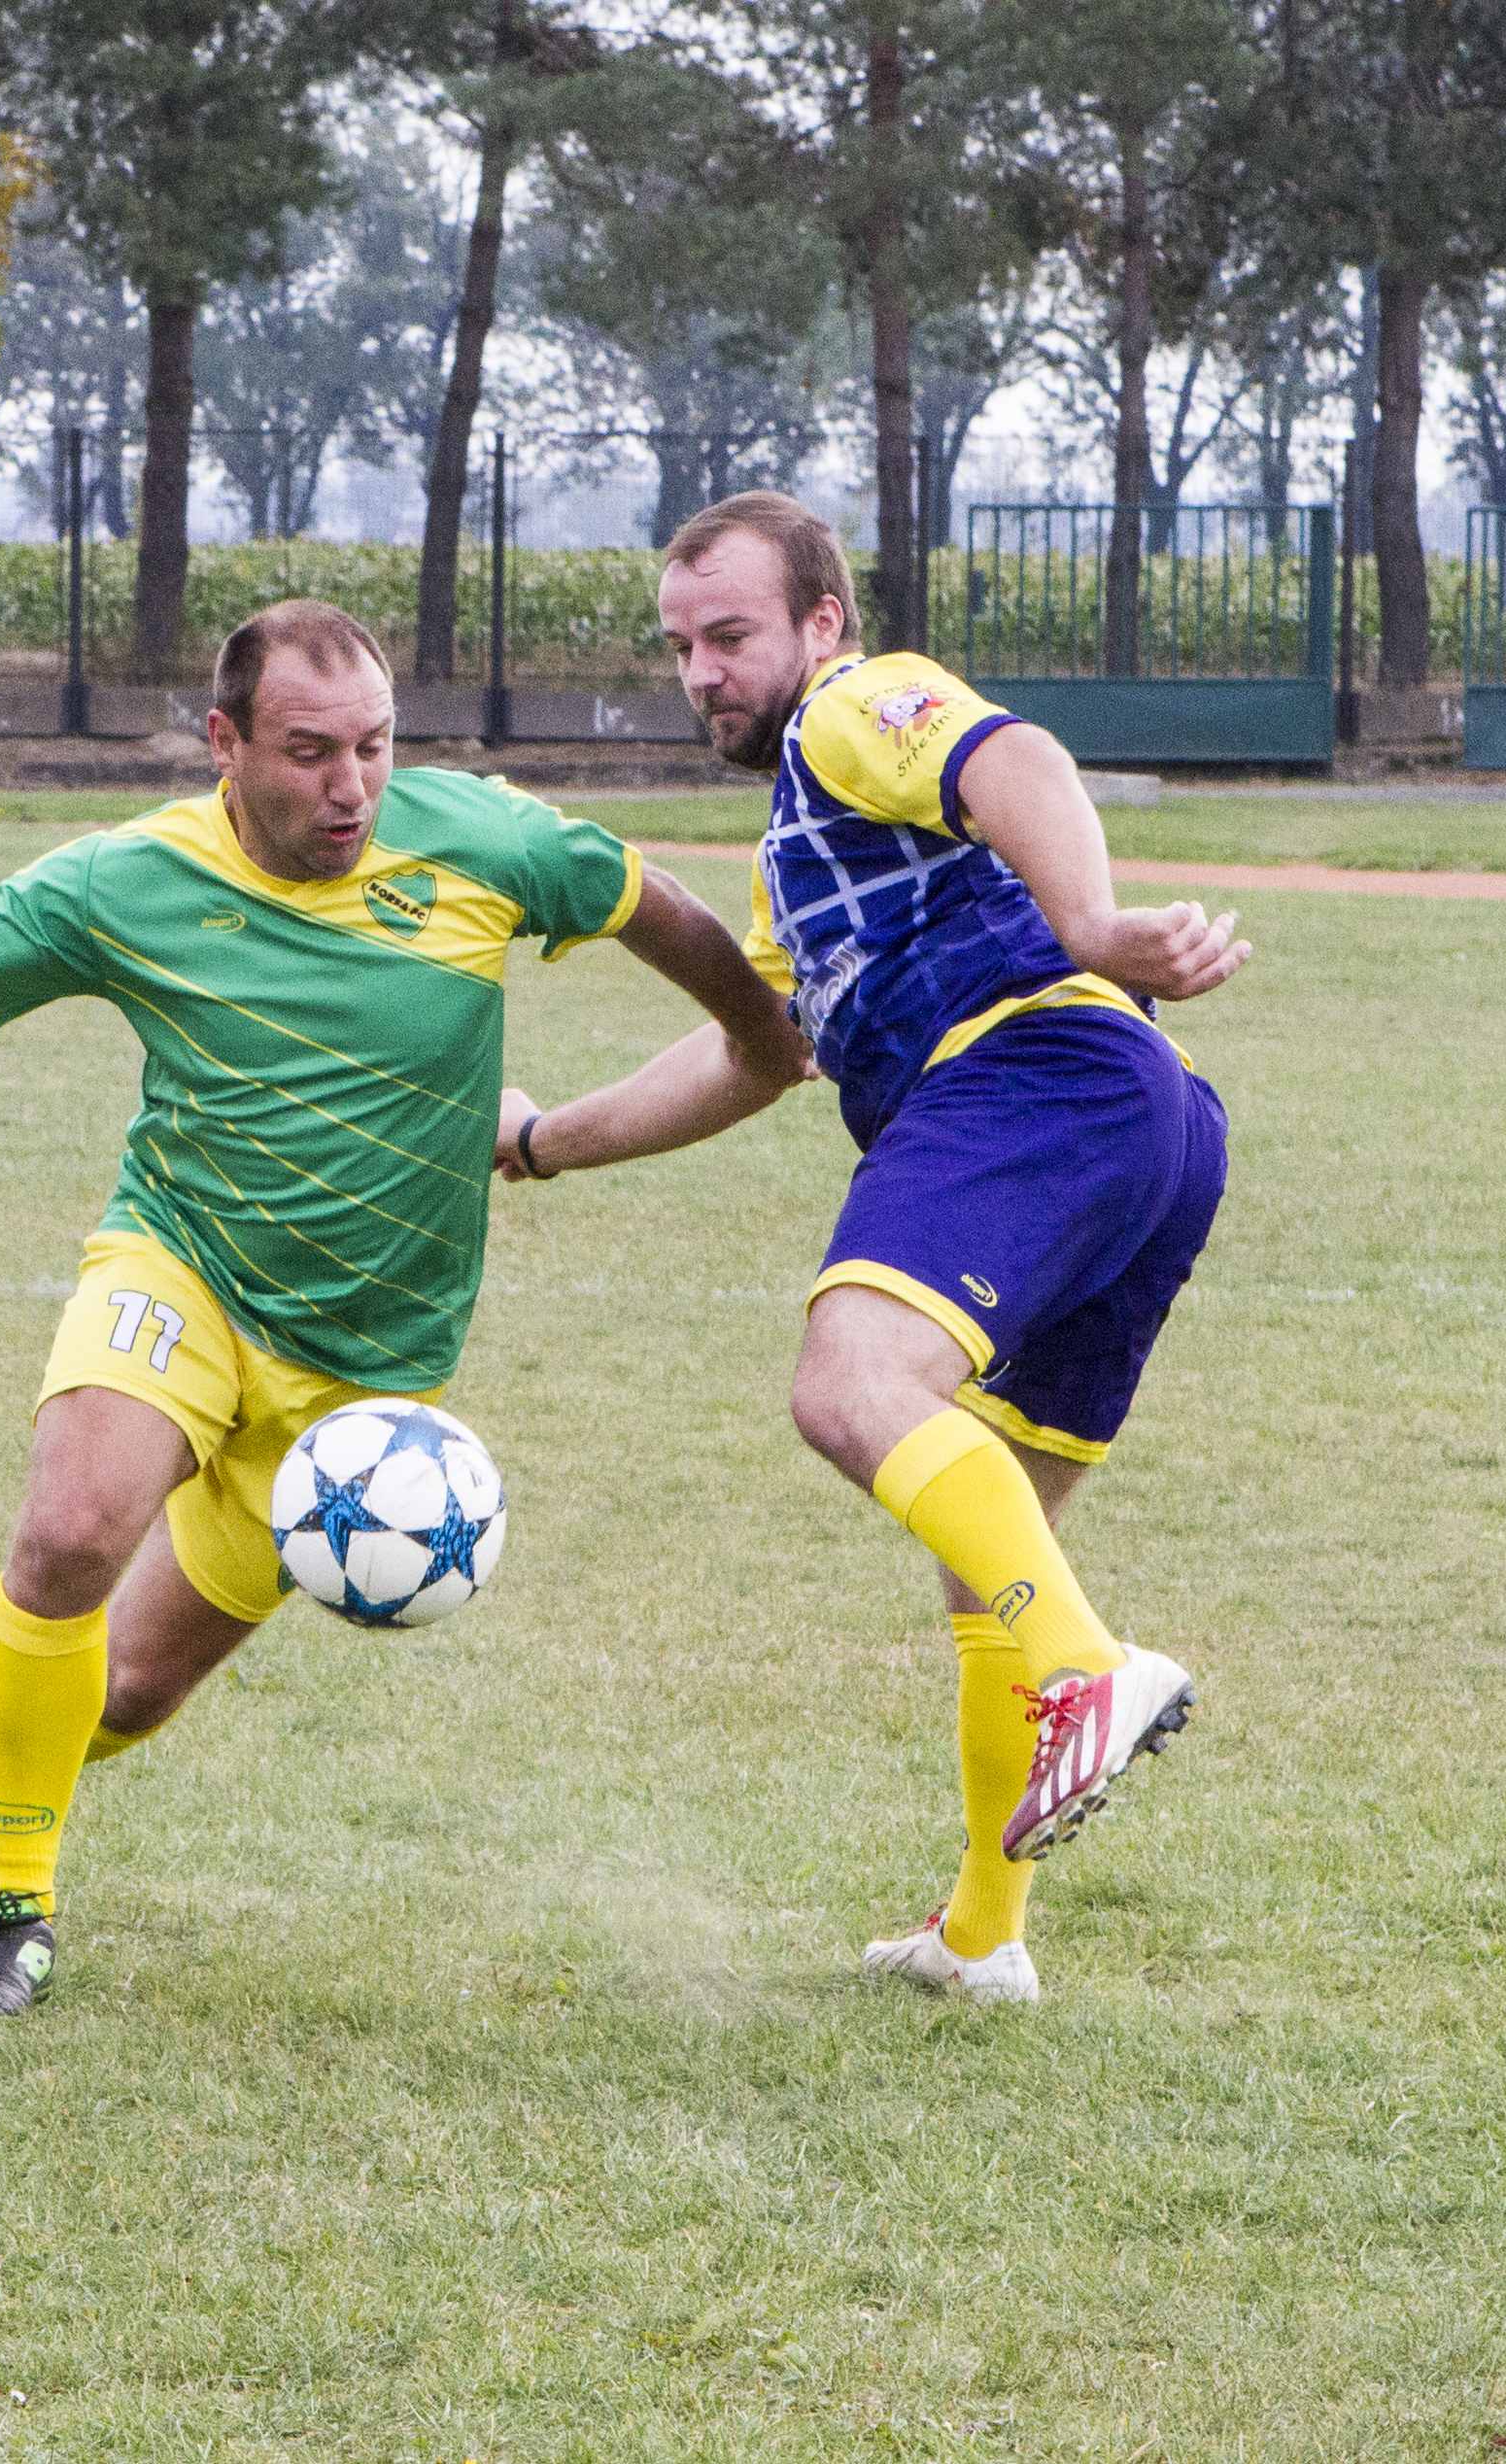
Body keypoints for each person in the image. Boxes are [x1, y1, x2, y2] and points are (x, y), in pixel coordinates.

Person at [0, 599, 804, 2017]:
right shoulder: (128, 882)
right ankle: (15, 1912)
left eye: (374, 748)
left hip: (358, 1378)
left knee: (125, 1698)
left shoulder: (492, 843)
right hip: (179, 1272)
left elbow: (719, 975)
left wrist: (742, 1050)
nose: (351, 788)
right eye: (307, 753)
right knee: (68, 1533)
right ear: (224, 743)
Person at [492, 494, 1249, 2006]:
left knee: (851, 1382)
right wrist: (538, 1143)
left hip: (1036, 1072)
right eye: (681, 646)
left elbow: (1010, 757)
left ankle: (1091, 1673)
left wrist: (1090, 922)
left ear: (821, 624)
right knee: (995, 1549)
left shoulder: (851, 709)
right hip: (1149, 1124)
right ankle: (983, 1935)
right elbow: (759, 1058)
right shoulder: (804, 848)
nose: (702, 672)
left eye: (733, 636)